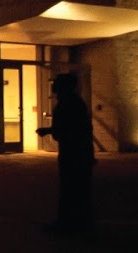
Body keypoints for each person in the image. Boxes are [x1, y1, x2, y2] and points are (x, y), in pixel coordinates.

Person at [35, 73, 95, 233]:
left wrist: (50, 131)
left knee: (70, 188)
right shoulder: (76, 103)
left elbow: (67, 129)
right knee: (80, 189)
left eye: (56, 83)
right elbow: (80, 128)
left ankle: (68, 224)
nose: (53, 86)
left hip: (72, 152)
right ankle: (81, 223)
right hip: (80, 151)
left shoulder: (66, 104)